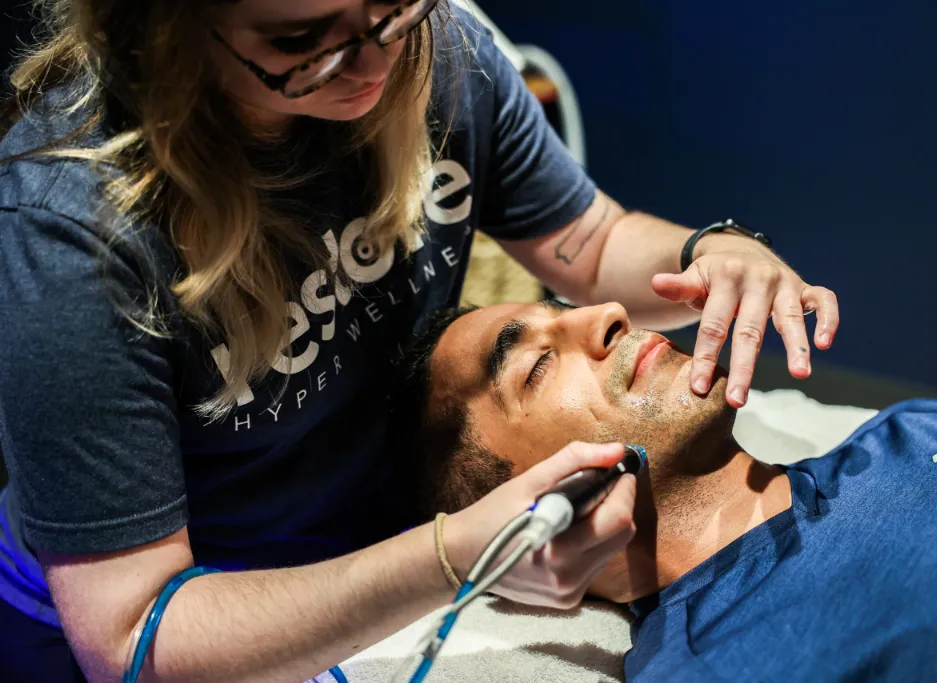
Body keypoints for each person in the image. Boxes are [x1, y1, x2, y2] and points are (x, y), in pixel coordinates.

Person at [0, 1, 840, 681]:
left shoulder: (439, 50)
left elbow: (589, 245)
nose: (369, 65)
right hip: (183, 602)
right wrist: (449, 557)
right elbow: (132, 635)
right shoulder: (71, 234)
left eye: (390, 11)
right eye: (301, 41)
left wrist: (709, 252)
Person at [393, 300, 937, 682]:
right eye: (536, 365)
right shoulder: (709, 668)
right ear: (515, 509)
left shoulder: (917, 428)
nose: (607, 314)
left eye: (563, 312)